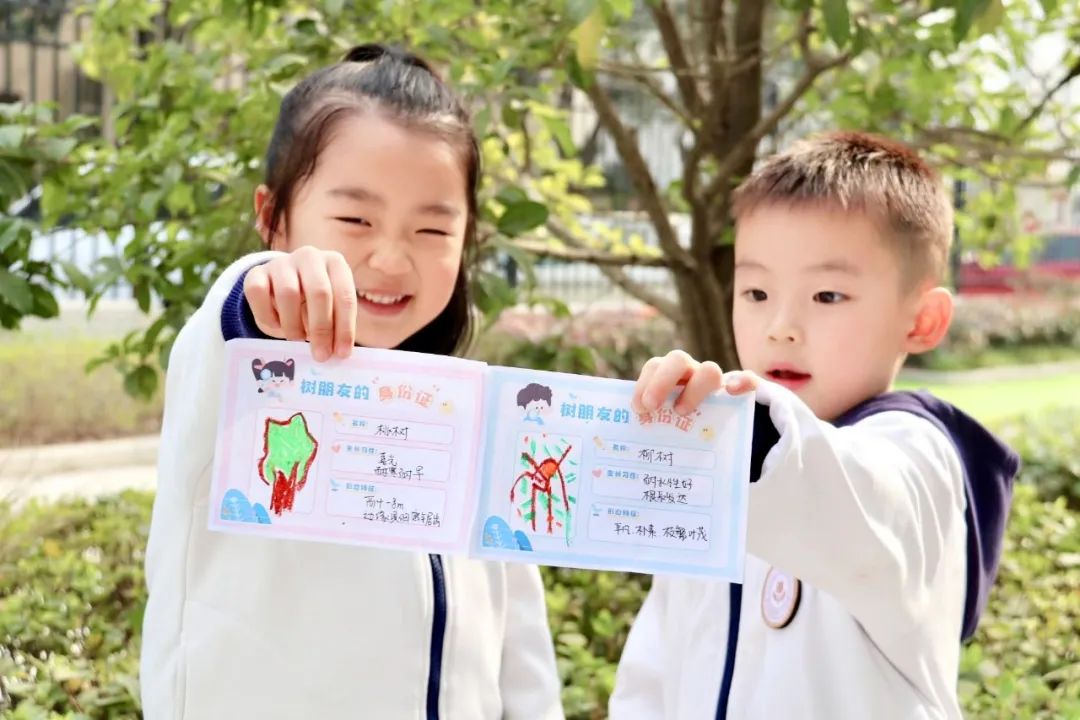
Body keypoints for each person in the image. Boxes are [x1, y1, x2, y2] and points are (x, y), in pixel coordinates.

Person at [140, 44, 563, 720]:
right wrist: (265, 288)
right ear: (272, 216)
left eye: (432, 228)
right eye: (355, 220)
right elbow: (232, 324)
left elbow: (521, 660)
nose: (391, 258)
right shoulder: (240, 375)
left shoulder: (473, 420)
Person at [609, 131, 1019, 719]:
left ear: (922, 320)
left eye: (827, 295)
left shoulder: (917, 457)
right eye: (756, 292)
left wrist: (727, 434)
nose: (780, 326)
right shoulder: (716, 469)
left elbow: (840, 491)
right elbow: (650, 677)